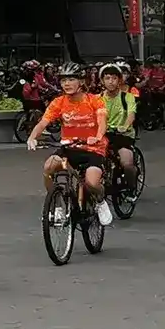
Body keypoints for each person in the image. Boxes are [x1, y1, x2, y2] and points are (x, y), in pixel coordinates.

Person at [26, 63, 112, 227]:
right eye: (63, 80)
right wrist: (32, 137)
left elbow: (102, 122)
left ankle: (101, 202)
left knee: (91, 183)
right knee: (49, 167)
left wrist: (97, 137)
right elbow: (43, 122)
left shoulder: (95, 100)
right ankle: (58, 205)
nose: (67, 84)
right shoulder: (59, 102)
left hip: (93, 149)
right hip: (69, 148)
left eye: (71, 79)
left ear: (81, 81)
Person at [99, 64, 143, 188]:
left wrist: (125, 126)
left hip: (123, 135)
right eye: (107, 78)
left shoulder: (127, 97)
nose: (111, 82)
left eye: (114, 78)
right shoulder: (98, 99)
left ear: (119, 80)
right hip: (103, 135)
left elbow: (131, 115)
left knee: (126, 163)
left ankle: (131, 188)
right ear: (102, 81)